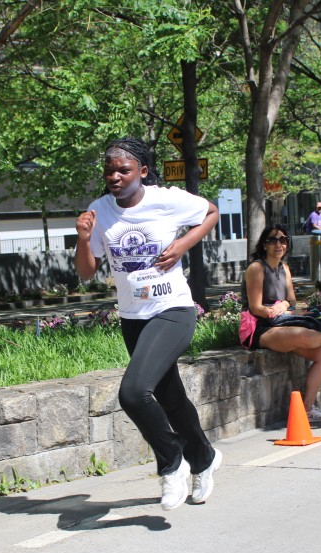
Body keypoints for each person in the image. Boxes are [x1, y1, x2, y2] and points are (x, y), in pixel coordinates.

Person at [75, 137, 220, 511]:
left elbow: (212, 212)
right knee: (170, 398)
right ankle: (204, 458)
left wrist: (183, 244)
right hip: (133, 317)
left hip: (172, 310)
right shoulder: (99, 211)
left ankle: (172, 463)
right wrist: (84, 239)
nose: (115, 177)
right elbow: (86, 273)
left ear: (142, 171)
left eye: (123, 170)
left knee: (133, 392)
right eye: (109, 171)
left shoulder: (166, 199)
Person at [242, 224, 321, 424]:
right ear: (264, 245)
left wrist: (284, 305)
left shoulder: (284, 268)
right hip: (261, 328)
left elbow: (292, 300)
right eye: (273, 240)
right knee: (304, 335)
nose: (279, 244)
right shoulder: (256, 268)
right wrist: (277, 311)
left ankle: (307, 409)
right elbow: (255, 308)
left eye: (283, 240)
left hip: (283, 321)